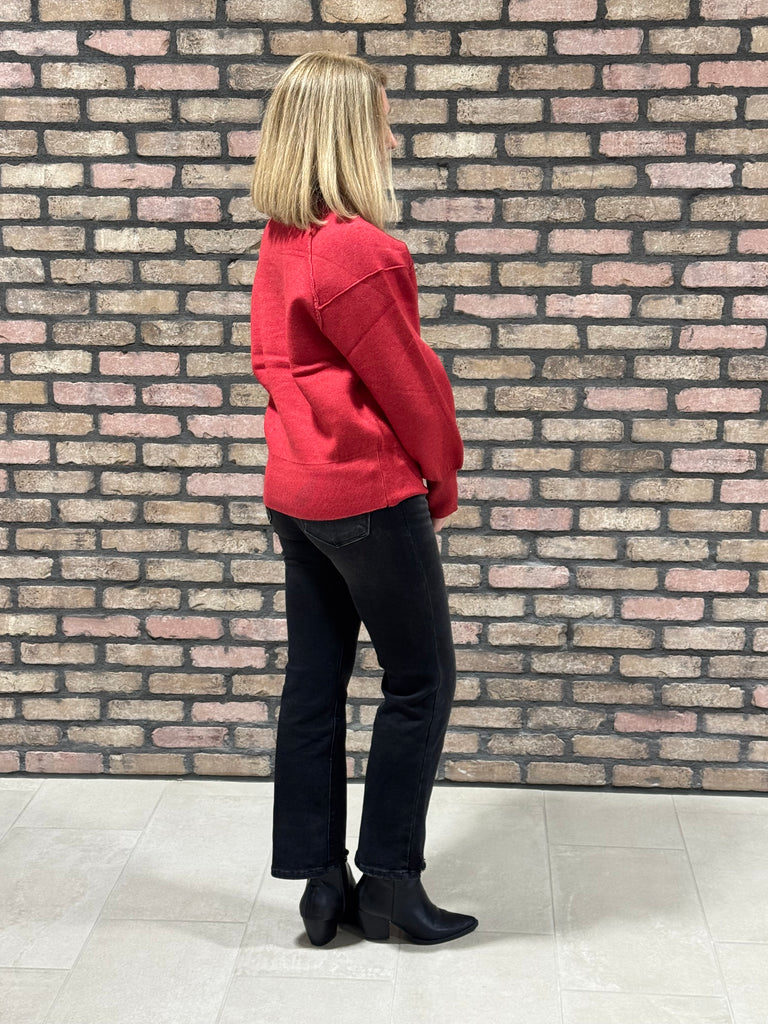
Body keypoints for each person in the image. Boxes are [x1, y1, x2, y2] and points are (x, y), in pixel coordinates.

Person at [249, 50, 477, 947]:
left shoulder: (284, 240)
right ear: (348, 131)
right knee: (420, 682)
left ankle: (320, 887)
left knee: (314, 682)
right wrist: (442, 474)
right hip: (366, 494)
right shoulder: (359, 250)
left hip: (296, 491)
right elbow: (410, 388)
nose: (390, 135)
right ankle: (389, 883)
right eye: (381, 119)